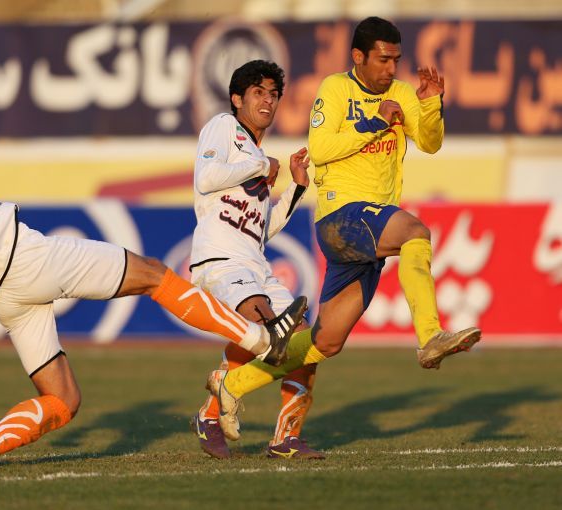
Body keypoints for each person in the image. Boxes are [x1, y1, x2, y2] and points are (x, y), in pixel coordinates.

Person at [0, 86, 308, 470]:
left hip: (3, 295)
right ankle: (261, 341)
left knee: (63, 400)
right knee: (153, 275)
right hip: (27, 261)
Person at [206, 17, 482, 442]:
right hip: (342, 215)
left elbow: (430, 142)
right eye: (383, 59)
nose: (391, 68)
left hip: (372, 224)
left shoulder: (401, 93)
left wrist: (430, 104)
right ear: (358, 57)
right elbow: (321, 149)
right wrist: (374, 122)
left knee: (325, 342)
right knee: (415, 233)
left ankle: (232, 384)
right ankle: (430, 335)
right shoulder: (335, 89)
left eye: (396, 60)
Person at [188, 60, 324, 460]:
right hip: (221, 259)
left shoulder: (257, 153)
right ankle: (211, 412)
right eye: (258, 92)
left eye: (273, 94)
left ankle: (284, 439)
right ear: (237, 98)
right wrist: (264, 165)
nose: (267, 101)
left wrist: (296, 188)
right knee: (266, 330)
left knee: (303, 342)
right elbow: (206, 178)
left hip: (255, 263)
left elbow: (262, 230)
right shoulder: (224, 127)